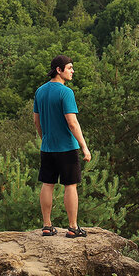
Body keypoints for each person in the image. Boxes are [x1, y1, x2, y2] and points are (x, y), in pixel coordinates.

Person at [33, 54, 92, 238]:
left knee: (47, 184)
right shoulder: (66, 92)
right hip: (66, 148)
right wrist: (84, 147)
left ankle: (46, 225)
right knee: (70, 186)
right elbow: (72, 123)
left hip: (47, 147)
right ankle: (73, 228)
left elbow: (37, 121)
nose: (73, 71)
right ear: (59, 70)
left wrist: (45, 138)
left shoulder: (40, 91)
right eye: (70, 68)